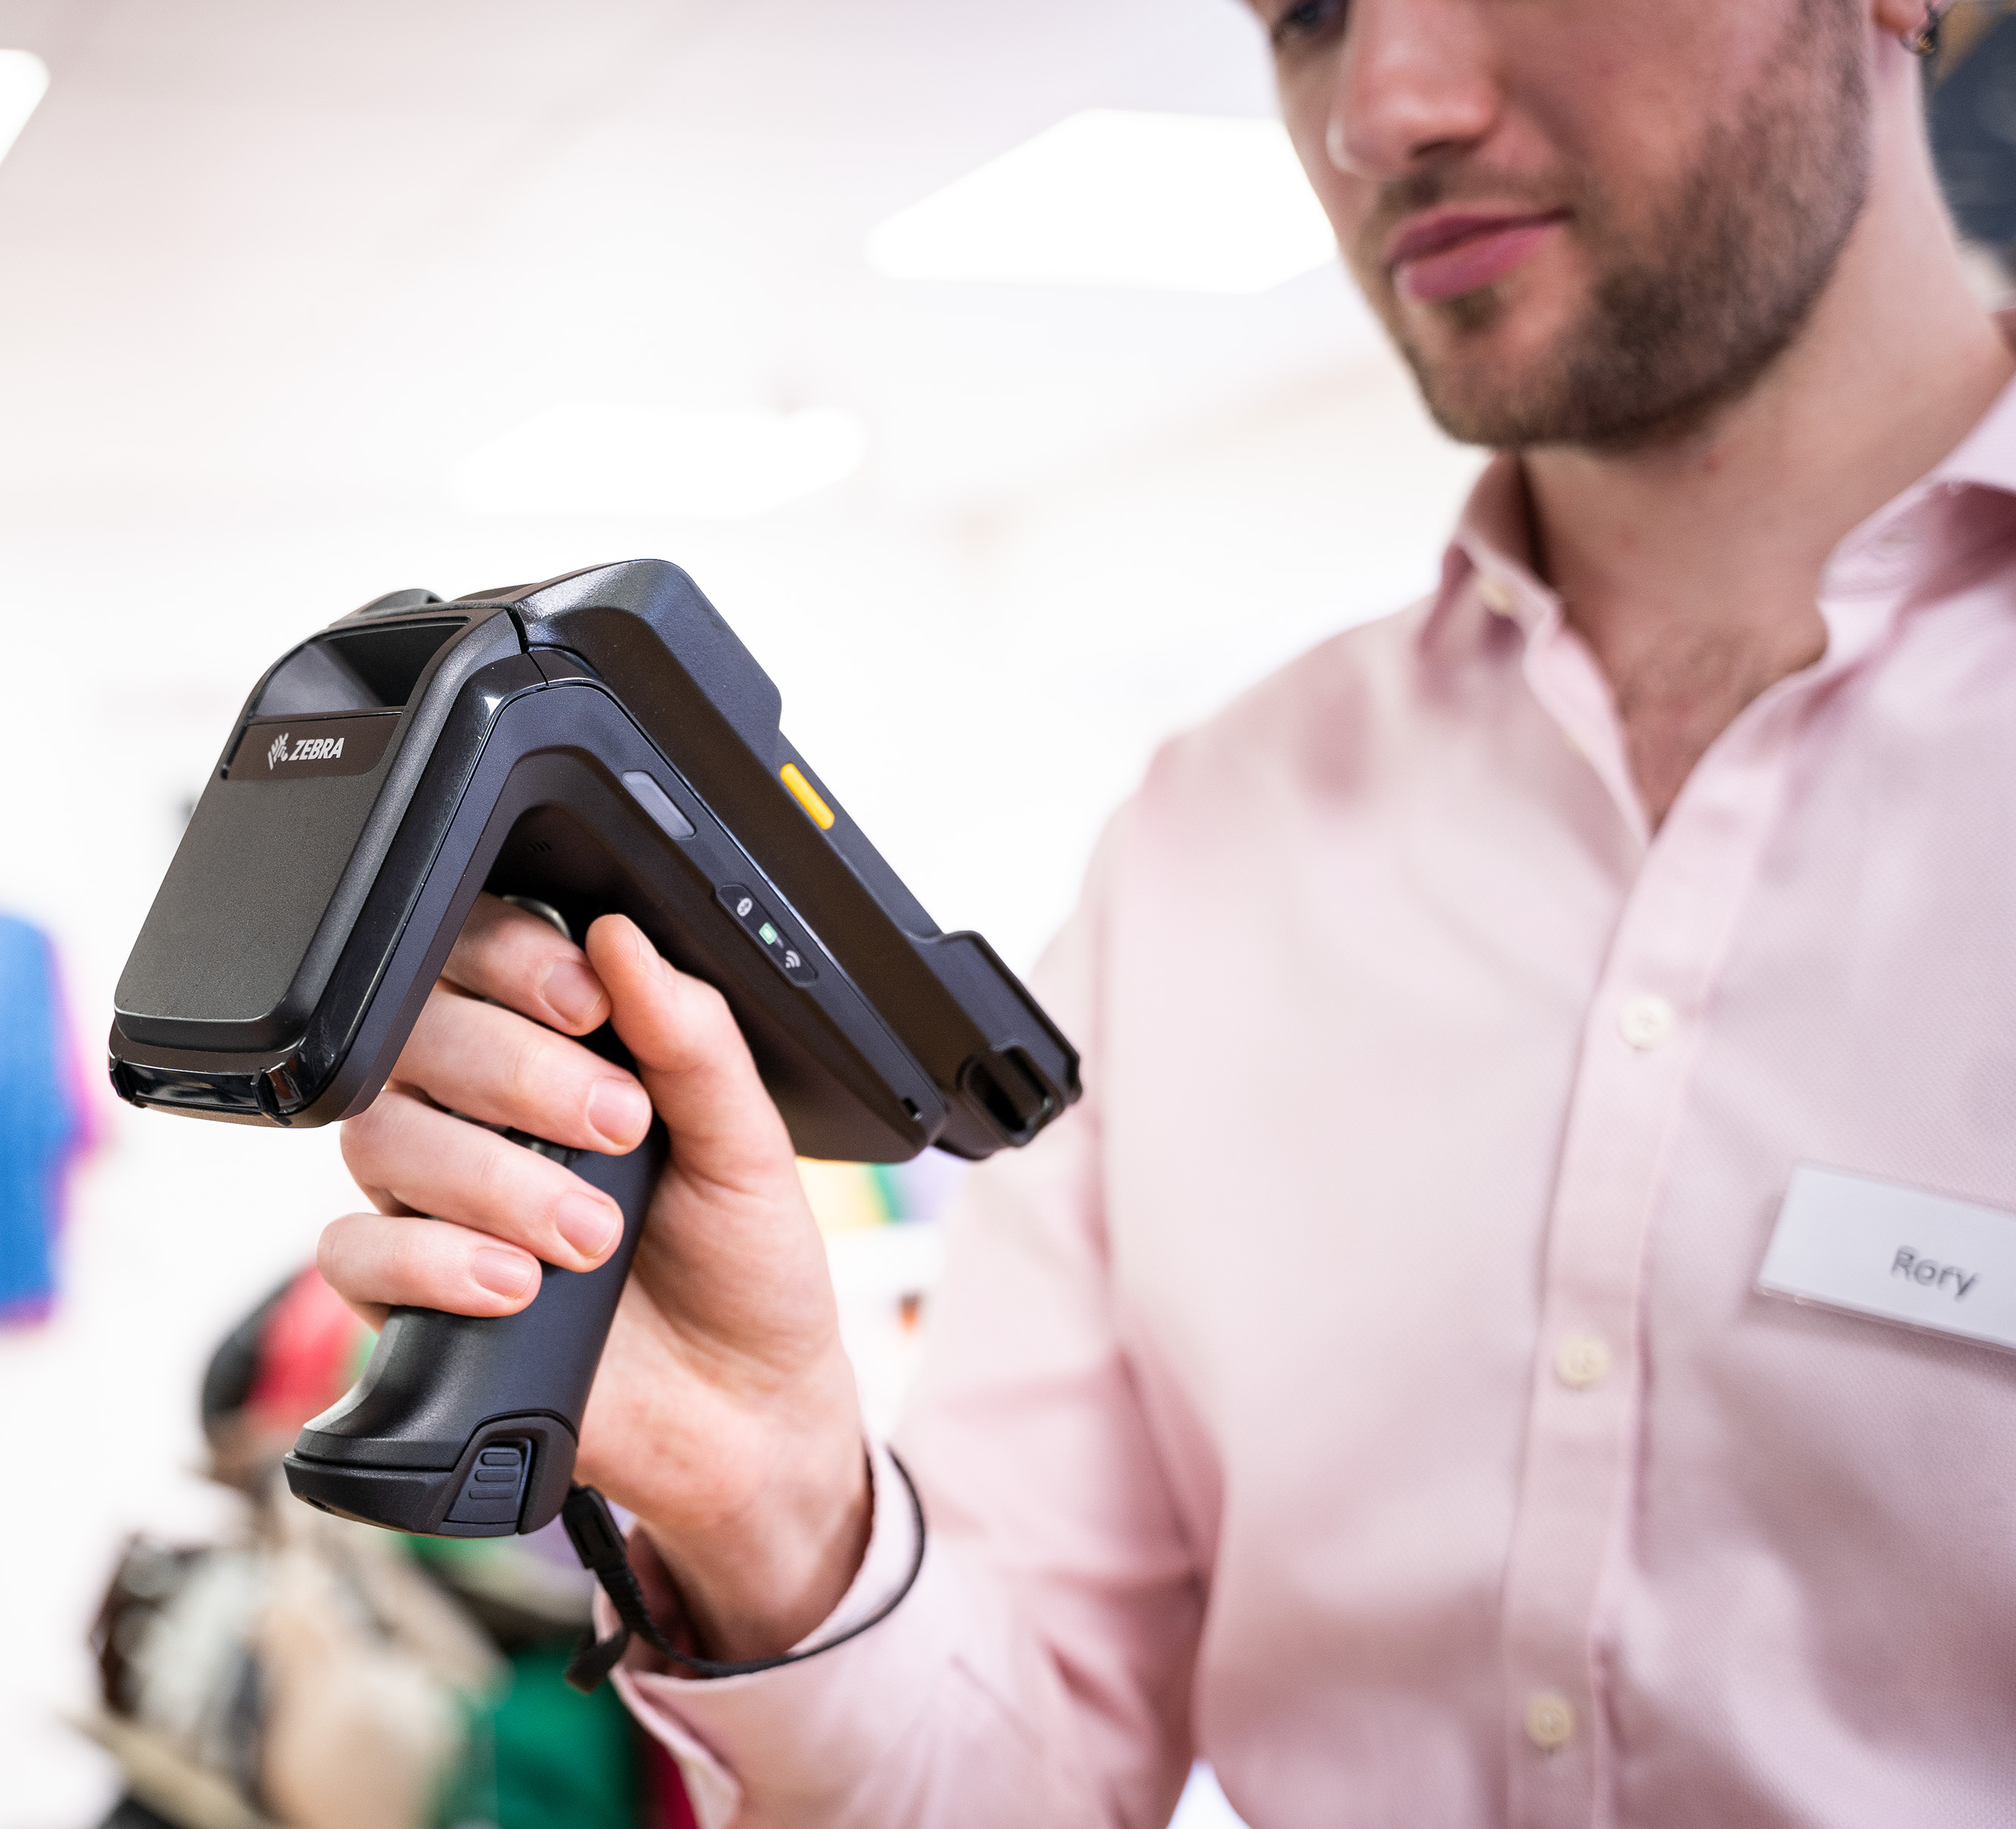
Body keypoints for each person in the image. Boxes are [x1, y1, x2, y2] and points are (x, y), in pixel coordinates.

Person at [315, 0, 2016, 1821]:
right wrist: (775, 1504)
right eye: (1301, 11)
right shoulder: (1209, 839)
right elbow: (1028, 1781)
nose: (1381, 107)